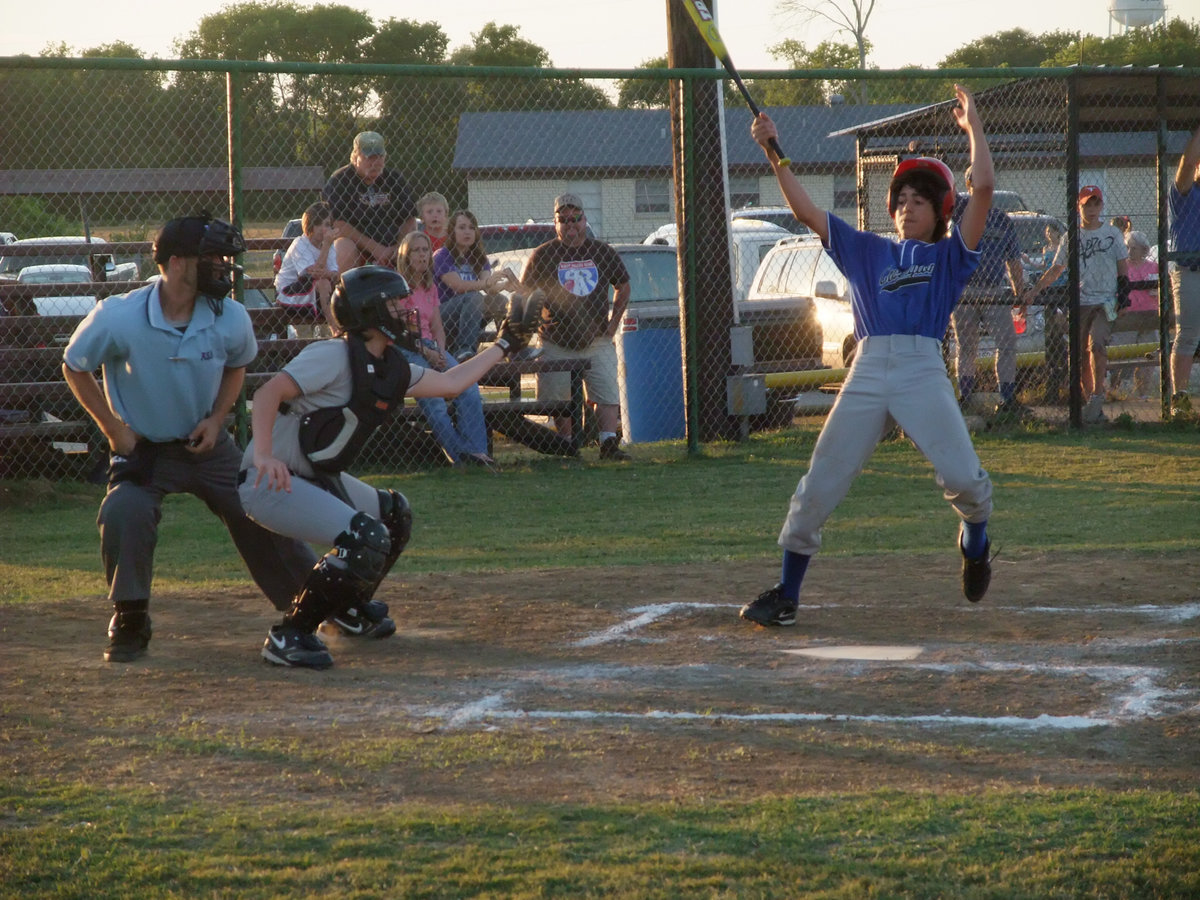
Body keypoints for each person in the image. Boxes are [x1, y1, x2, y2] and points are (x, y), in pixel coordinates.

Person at [739, 84, 995, 629]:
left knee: (966, 483)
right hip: (868, 365)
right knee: (820, 482)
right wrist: (772, 150)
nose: (906, 208)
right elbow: (806, 210)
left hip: (922, 367)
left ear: (940, 211)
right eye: (900, 201)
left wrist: (973, 128)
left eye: (919, 201)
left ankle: (975, 540)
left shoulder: (949, 256)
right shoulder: (867, 249)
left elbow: (987, 187)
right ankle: (787, 592)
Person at [238, 265, 541, 668]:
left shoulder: (387, 364)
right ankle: (289, 633)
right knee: (364, 537)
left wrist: (504, 344)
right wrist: (262, 454)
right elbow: (267, 394)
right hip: (269, 480)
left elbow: (451, 384)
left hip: (314, 477)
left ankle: (348, 609)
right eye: (396, 302)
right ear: (368, 311)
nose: (405, 308)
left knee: (393, 514)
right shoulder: (333, 354)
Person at [61, 214, 318, 663]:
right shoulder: (120, 315)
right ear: (177, 263)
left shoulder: (229, 315)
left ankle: (314, 602)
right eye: (213, 257)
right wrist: (113, 429)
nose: (223, 266)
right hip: (146, 449)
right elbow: (74, 364)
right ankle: (130, 615)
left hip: (208, 446)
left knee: (263, 501)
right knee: (125, 510)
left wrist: (218, 418)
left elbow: (237, 364)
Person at [518, 193, 632, 461]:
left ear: (585, 219)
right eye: (563, 219)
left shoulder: (602, 252)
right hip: (556, 341)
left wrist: (613, 323)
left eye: (576, 218)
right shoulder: (543, 255)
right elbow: (524, 294)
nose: (571, 224)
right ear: (555, 223)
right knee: (558, 396)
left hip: (596, 339)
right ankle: (567, 446)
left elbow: (623, 286)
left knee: (606, 390)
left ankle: (608, 444)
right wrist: (536, 322)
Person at [1023, 186, 1129, 424]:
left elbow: (1123, 265)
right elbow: (1057, 268)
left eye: (1095, 204)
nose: (1091, 210)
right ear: (1078, 207)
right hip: (1080, 301)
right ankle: (1090, 405)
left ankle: (1097, 397)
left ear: (1101, 206)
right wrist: (1035, 290)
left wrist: (1123, 294)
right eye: (1086, 205)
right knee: (1079, 355)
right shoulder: (1072, 236)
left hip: (1106, 301)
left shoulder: (1112, 234)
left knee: (1098, 345)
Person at [395, 231, 498, 470]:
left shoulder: (430, 287)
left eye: (424, 250)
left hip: (432, 347)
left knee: (469, 387)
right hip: (408, 349)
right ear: (405, 255)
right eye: (416, 250)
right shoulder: (398, 287)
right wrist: (428, 354)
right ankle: (461, 458)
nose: (422, 255)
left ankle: (477, 453)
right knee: (436, 403)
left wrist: (440, 352)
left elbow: (437, 327)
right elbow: (401, 332)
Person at [949, 166, 1026, 417]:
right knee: (966, 345)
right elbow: (945, 190)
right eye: (977, 181)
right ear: (968, 184)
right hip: (965, 291)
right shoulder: (960, 211)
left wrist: (1019, 293)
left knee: (1007, 342)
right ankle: (966, 396)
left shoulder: (1002, 220)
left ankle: (1007, 396)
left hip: (994, 290)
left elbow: (1013, 260)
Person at [322, 131, 416, 273]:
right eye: (370, 157)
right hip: (357, 248)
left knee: (416, 242)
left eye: (380, 156)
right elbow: (338, 225)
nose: (376, 162)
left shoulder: (394, 179)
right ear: (355, 157)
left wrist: (398, 248)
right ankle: (342, 292)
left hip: (393, 247)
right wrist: (376, 249)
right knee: (343, 246)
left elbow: (410, 219)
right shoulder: (340, 180)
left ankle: (415, 294)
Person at [432, 209, 511, 361]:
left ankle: (507, 347)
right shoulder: (442, 255)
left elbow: (489, 289)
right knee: (474, 297)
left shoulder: (479, 258)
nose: (467, 232)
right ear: (452, 231)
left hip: (470, 316)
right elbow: (458, 286)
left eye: (471, 227)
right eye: (462, 227)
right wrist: (487, 282)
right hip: (444, 317)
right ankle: (465, 350)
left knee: (500, 300)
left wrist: (505, 285)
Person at [1167, 122, 1200, 416]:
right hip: (1190, 270)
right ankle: (1180, 399)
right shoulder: (1185, 193)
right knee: (1188, 333)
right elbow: (1187, 163)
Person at [275, 200, 338, 336]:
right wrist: (326, 246)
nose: (324, 229)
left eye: (327, 224)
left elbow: (335, 274)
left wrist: (326, 273)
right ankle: (335, 329)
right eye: (318, 224)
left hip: (315, 294)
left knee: (334, 286)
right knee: (323, 282)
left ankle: (329, 331)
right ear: (310, 226)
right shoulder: (300, 244)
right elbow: (312, 274)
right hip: (288, 294)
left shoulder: (329, 245)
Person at [1110, 230, 1160, 399]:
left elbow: (1159, 290)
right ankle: (1114, 390)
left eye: (1134, 248)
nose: (1129, 251)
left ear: (1144, 250)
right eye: (1127, 247)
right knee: (1121, 355)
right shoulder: (1121, 268)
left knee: (1148, 357)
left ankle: (1142, 394)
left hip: (1149, 316)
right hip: (1127, 317)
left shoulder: (1153, 267)